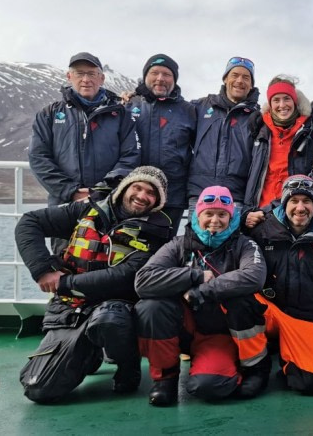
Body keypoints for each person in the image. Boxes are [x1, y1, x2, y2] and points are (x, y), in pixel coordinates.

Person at [16, 167, 174, 402]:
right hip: (71, 306)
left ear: (157, 201)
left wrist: (65, 282)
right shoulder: (86, 210)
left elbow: (124, 275)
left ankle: (127, 366)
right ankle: (88, 354)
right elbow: (30, 222)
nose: (142, 195)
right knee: (39, 390)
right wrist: (42, 271)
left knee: (110, 318)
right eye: (137, 187)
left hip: (116, 306)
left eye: (151, 193)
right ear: (124, 189)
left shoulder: (157, 233)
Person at [135, 186, 266, 406]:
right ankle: (165, 379)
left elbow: (254, 276)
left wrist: (204, 290)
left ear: (231, 217)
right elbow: (144, 280)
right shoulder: (179, 244)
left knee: (208, 386)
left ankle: (252, 366)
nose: (215, 220)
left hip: (220, 332)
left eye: (222, 214)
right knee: (151, 307)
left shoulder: (243, 243)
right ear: (198, 215)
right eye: (209, 213)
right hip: (183, 326)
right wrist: (195, 276)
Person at [239, 175, 313, 394]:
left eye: (307, 201)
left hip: (306, 316)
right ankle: (256, 366)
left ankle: (289, 359)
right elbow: (225, 230)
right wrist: (243, 216)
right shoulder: (262, 230)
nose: (300, 208)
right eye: (294, 201)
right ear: (284, 203)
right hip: (270, 309)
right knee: (239, 303)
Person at [29, 52, 139, 207]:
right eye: (79, 73)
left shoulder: (121, 115)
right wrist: (70, 191)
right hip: (63, 202)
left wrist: (101, 191)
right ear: (69, 76)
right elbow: (38, 157)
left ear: (101, 78)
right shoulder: (49, 114)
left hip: (108, 202)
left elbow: (131, 156)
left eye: (92, 74)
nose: (86, 80)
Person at [127, 54, 196, 232]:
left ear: (174, 80)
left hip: (172, 197)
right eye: (154, 73)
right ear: (145, 77)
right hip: (135, 195)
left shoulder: (188, 110)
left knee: (164, 252)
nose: (160, 79)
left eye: (166, 74)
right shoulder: (128, 106)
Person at [188, 57, 261, 206]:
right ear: (225, 79)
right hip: (200, 193)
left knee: (232, 230)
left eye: (246, 77)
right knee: (195, 230)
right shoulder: (200, 106)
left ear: (251, 85)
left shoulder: (258, 116)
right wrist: (136, 99)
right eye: (235, 75)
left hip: (236, 196)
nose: (240, 81)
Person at [245, 75, 313, 208]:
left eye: (287, 99)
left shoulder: (310, 129)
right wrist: (248, 210)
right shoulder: (259, 129)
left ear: (295, 101)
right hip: (261, 209)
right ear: (270, 104)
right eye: (276, 100)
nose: (282, 105)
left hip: (295, 210)